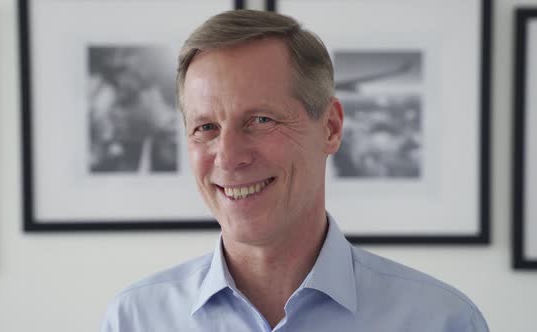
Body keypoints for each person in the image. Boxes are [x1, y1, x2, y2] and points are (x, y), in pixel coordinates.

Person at [101, 10, 489, 332]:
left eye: (261, 119)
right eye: (206, 128)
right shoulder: (135, 319)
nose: (229, 156)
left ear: (331, 128)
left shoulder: (441, 321)